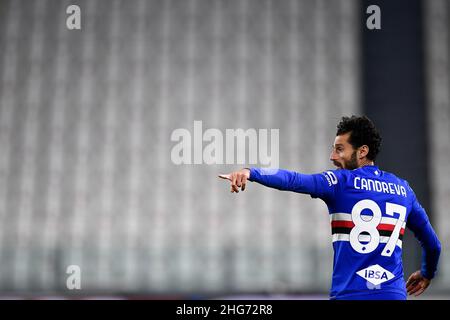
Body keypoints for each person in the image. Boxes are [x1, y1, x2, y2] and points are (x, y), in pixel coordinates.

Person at [219, 115, 441, 300]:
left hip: (350, 293)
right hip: (392, 293)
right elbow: (433, 245)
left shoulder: (340, 182)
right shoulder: (404, 190)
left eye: (339, 149)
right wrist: (427, 272)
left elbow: (293, 179)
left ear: (362, 151)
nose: (332, 156)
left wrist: (251, 172)